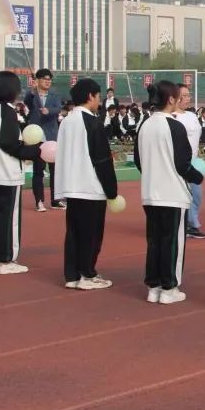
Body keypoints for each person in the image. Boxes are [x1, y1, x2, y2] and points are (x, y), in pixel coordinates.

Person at [136, 80, 204, 305]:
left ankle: (153, 286)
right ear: (171, 99)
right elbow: (183, 164)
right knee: (172, 241)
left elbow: (138, 160)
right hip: (173, 193)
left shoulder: (145, 125)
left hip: (150, 192)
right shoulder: (175, 126)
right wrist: (197, 176)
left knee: (154, 240)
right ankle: (169, 288)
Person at [0, 71, 43, 275]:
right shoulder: (6, 110)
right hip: (6, 172)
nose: (19, 90)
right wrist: (34, 151)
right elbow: (8, 143)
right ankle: (7, 260)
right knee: (8, 217)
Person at [55, 78, 118, 290]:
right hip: (90, 186)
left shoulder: (66, 121)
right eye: (98, 96)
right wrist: (111, 190)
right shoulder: (92, 121)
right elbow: (102, 159)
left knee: (74, 233)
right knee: (91, 235)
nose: (99, 100)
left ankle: (72, 274)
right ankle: (87, 274)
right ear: (91, 96)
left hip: (71, 186)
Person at [24, 68, 64, 211]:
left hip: (52, 138)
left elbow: (58, 108)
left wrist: (49, 111)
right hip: (37, 138)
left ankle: (55, 200)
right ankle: (39, 201)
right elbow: (27, 102)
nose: (48, 82)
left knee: (55, 171)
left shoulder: (54, 95)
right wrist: (32, 90)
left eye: (49, 79)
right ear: (38, 80)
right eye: (44, 79)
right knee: (38, 170)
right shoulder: (32, 95)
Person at [174, 83, 205, 239]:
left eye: (189, 95)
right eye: (185, 95)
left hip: (194, 162)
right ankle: (188, 225)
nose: (188, 98)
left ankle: (190, 222)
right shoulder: (172, 117)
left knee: (196, 194)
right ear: (175, 97)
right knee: (183, 194)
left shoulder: (192, 115)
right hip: (179, 162)